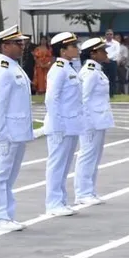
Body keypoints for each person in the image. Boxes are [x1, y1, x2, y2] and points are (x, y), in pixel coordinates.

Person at [0, 25, 34, 232]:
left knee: (9, 177)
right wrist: (0, 135)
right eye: (17, 43)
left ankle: (7, 214)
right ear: (4, 46)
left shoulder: (13, 66)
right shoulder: (2, 70)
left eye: (22, 42)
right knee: (0, 175)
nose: (22, 46)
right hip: (6, 133)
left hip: (17, 131)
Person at [43, 32, 83, 217]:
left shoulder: (69, 68)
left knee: (65, 165)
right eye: (73, 46)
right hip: (61, 125)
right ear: (63, 50)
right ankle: (53, 203)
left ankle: (60, 200)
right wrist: (57, 125)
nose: (77, 49)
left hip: (71, 124)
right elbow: (52, 99)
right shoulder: (58, 69)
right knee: (57, 165)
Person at [74, 38, 115, 206]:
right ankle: (82, 193)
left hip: (98, 120)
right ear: (93, 54)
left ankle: (89, 190)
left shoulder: (97, 71)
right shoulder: (90, 72)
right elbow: (82, 98)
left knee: (95, 156)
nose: (106, 53)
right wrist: (86, 122)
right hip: (90, 121)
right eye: (102, 50)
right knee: (87, 156)